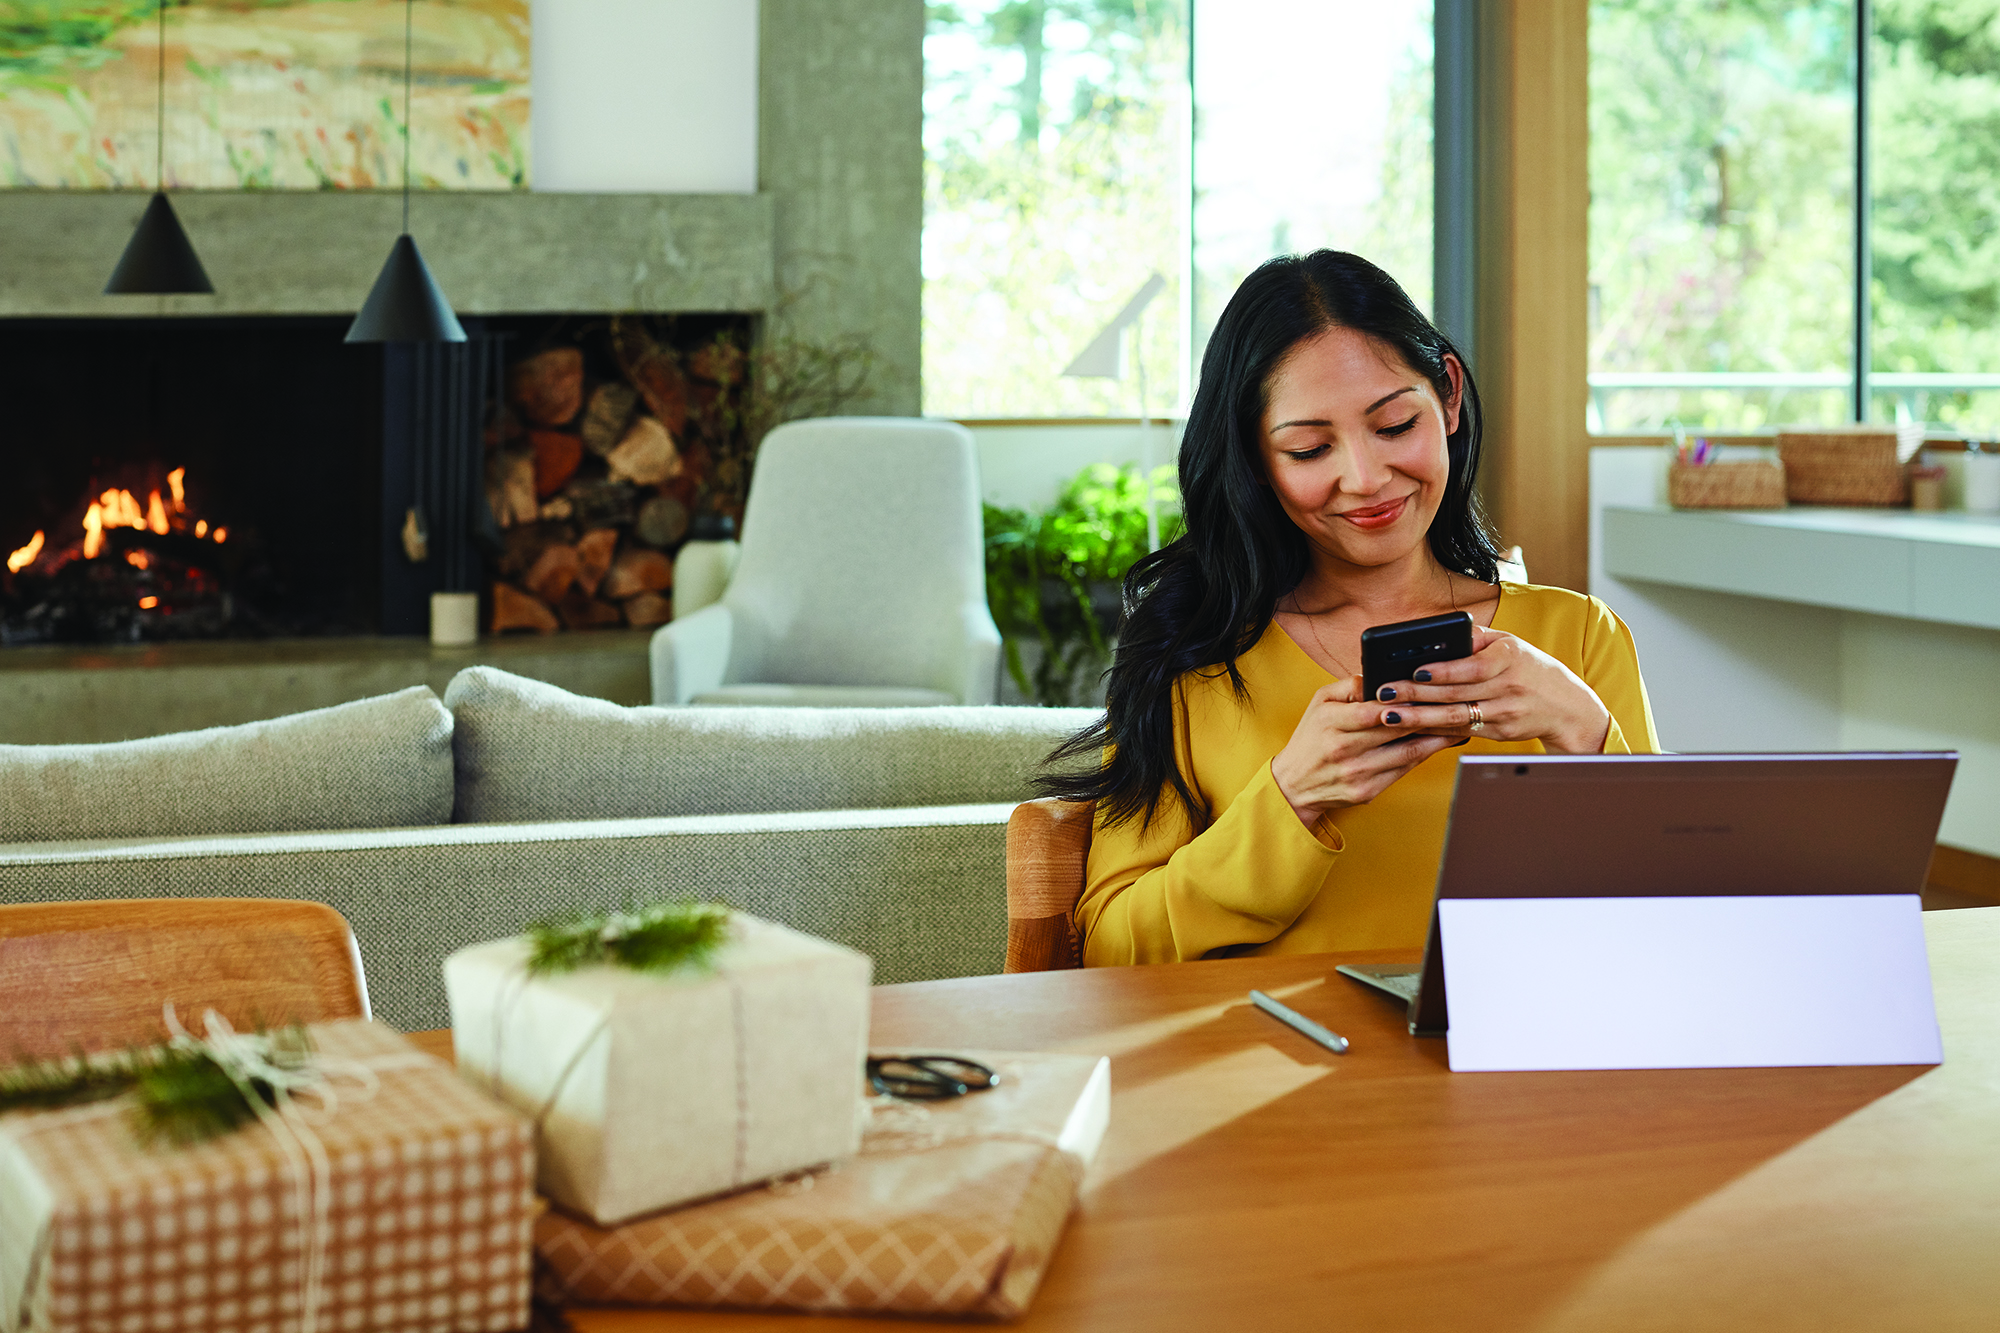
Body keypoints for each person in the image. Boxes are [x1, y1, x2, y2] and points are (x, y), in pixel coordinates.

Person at [1042, 250, 1659, 965]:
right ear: (1254, 458)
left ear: (1449, 395)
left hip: (1517, 1066)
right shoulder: (1195, 654)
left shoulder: (1577, 637)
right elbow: (1113, 952)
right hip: (1271, 1065)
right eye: (1309, 449)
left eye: (1395, 426)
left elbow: (1678, 922)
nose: (1365, 479)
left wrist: (1585, 733)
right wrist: (1290, 797)